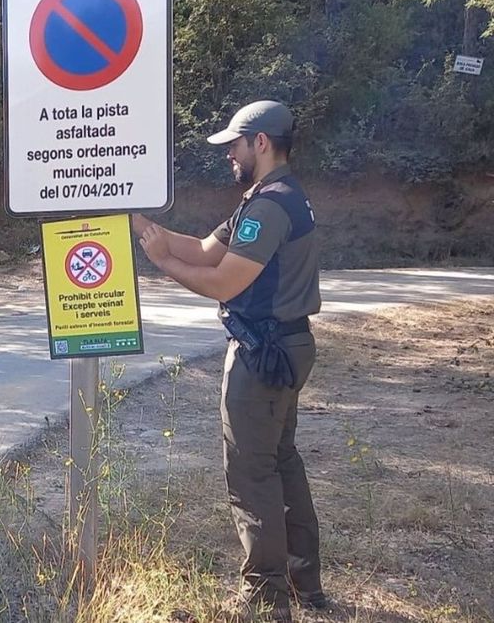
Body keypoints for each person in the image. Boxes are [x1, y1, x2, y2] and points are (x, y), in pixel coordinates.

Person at [134, 100, 331, 622]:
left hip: (264, 355)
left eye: (234, 146)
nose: (229, 156)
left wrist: (162, 264)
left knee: (252, 473)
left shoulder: (269, 207)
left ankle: (266, 598)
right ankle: (303, 583)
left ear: (259, 143)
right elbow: (203, 250)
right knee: (280, 461)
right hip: (283, 347)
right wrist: (139, 224)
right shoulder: (272, 197)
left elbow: (222, 281)